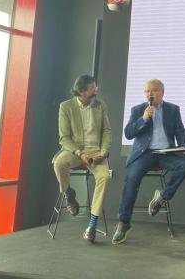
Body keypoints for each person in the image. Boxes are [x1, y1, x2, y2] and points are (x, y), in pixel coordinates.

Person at [112, 79, 185, 244]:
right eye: (147, 91)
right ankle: (124, 222)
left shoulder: (173, 109)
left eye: (154, 91)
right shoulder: (138, 110)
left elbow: (180, 130)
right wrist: (143, 119)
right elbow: (128, 134)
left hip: (166, 153)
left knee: (184, 165)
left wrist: (183, 147)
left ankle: (162, 196)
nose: (150, 94)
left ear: (162, 92)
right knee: (131, 180)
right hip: (144, 153)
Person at [52, 74, 111, 243]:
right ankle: (69, 193)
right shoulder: (66, 107)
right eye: (93, 88)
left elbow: (107, 131)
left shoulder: (100, 106)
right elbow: (64, 138)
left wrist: (104, 150)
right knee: (59, 163)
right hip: (74, 150)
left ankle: (92, 225)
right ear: (82, 91)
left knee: (105, 177)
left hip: (96, 151)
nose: (96, 90)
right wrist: (79, 153)